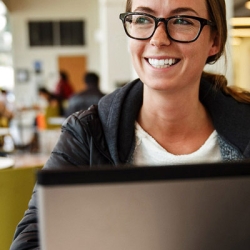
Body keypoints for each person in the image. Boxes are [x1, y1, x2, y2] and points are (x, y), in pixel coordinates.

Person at [10, 0, 250, 249]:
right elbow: (30, 244)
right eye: (143, 19)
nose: (158, 39)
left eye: (181, 21)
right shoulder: (87, 133)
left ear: (215, 41)